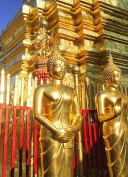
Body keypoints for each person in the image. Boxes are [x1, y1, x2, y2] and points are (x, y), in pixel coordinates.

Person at [33, 49, 82, 177]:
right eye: (58, 65)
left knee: (67, 170)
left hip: (67, 133)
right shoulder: (42, 88)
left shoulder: (71, 90)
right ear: (50, 69)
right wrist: (56, 131)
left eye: (64, 66)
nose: (61, 69)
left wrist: (72, 129)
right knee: (51, 171)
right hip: (51, 134)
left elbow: (77, 115)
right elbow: (37, 114)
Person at [95, 54, 128, 177]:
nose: (118, 79)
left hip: (126, 131)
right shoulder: (102, 95)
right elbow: (100, 117)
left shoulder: (125, 96)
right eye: (115, 76)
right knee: (116, 164)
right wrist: (114, 113)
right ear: (107, 78)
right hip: (112, 131)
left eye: (119, 76)